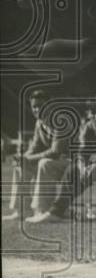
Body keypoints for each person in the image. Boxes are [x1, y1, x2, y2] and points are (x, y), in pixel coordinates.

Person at [4, 90, 71, 223]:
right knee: (21, 165)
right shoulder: (39, 123)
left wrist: (29, 158)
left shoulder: (61, 120)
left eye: (40, 105)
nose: (37, 109)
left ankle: (43, 210)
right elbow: (34, 147)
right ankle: (22, 210)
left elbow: (55, 151)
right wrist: (21, 157)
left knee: (44, 163)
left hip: (71, 163)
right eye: (34, 106)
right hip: (56, 163)